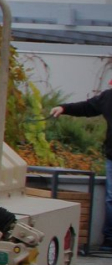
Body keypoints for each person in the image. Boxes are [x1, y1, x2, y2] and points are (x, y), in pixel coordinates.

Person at [50, 85, 112, 251]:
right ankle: (110, 238)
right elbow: (87, 107)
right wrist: (64, 108)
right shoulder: (108, 97)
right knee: (111, 199)